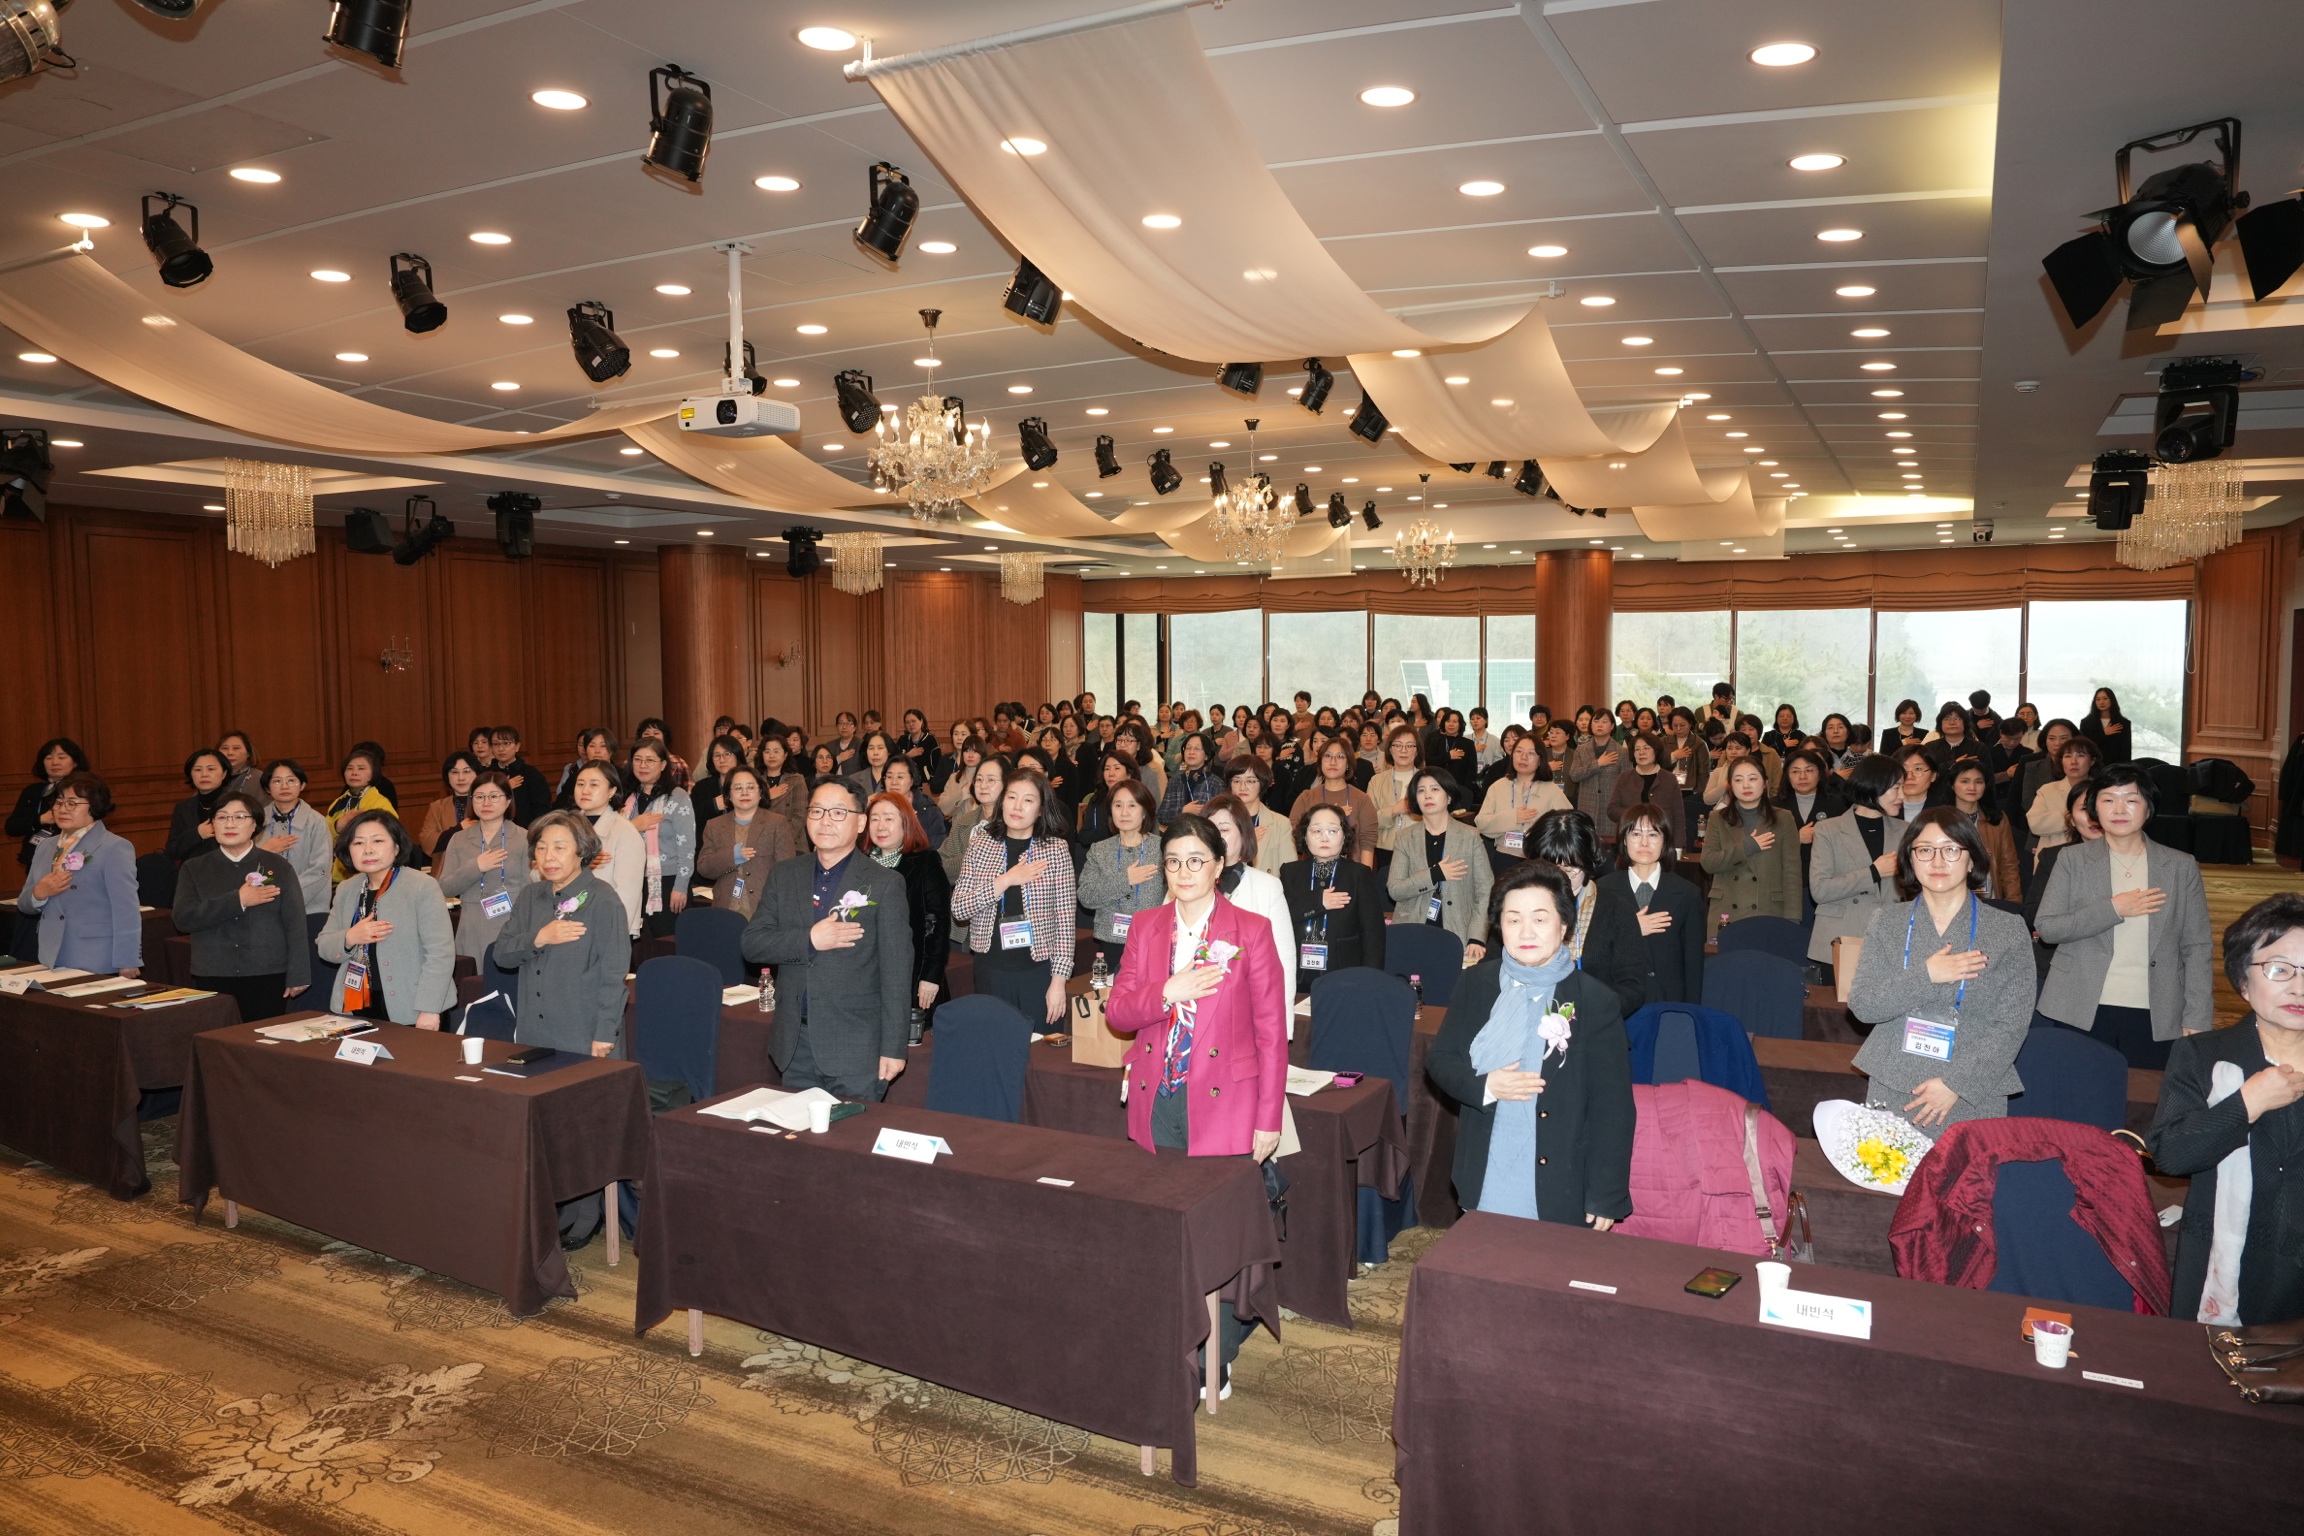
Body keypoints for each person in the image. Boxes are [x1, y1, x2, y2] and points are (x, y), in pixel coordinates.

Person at [1104, 810, 1288, 1392]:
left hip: (1227, 1106)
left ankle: (1219, 1352)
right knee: (1164, 1228)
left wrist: (1268, 1119)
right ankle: (1170, 1339)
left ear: (1219, 865)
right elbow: (1118, 1012)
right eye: (1174, 861)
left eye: (1196, 861)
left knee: (1218, 1238)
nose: (1184, 872)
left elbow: (1271, 1032)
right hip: (1159, 1099)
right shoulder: (1146, 926)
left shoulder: (1250, 929)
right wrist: (1168, 990)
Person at [1426, 859, 1635, 1228]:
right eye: (1513, 919)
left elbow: (1613, 1108)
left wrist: (1606, 1194)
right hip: (1487, 1165)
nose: (1526, 931)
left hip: (1562, 1179)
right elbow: (1441, 1059)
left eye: (1540, 919)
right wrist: (1486, 1086)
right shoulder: (1477, 984)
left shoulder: (1594, 1001)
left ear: (1563, 925)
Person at [2149, 893, 2304, 1325]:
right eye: (2279, 969)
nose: (2299, 987)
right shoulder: (2203, 1055)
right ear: (2243, 981)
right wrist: (2246, 1104)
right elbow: (2171, 1155)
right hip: (2225, 1274)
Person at [489, 808, 634, 1248]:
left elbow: (614, 974)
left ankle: (587, 1212)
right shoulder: (531, 896)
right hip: (536, 1030)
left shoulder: (603, 900)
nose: (548, 856)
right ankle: (558, 1205)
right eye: (541, 847)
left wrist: (605, 1034)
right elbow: (502, 954)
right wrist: (540, 938)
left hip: (584, 1030)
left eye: (559, 847)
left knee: (583, 1126)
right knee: (548, 1126)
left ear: (582, 852)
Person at [1848, 809, 2034, 1131]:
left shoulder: (2007, 930)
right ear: (1910, 859)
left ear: (1972, 859)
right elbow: (1864, 1006)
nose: (1937, 861)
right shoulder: (1888, 922)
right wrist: (1926, 976)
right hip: (1895, 1080)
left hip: (1971, 1090)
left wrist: (1955, 1084)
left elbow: (2011, 1025)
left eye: (1950, 849)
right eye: (1925, 850)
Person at [739, 779, 913, 1099]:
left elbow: (897, 973)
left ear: (860, 822)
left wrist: (893, 1047)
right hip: (796, 1043)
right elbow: (753, 944)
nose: (825, 821)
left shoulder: (884, 883)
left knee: (853, 1131)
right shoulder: (785, 874)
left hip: (857, 1046)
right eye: (817, 811)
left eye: (837, 812)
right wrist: (809, 939)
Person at [2035, 764, 2213, 1070]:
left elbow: (2196, 946)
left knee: (2145, 1095)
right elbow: (2048, 928)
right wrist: (2113, 909)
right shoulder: (2071, 860)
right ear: (2095, 809)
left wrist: (2197, 1016)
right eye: (2108, 800)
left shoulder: (2180, 866)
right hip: (2081, 1005)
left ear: (2148, 808)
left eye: (2131, 800)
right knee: (2084, 1093)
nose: (2119, 809)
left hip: (2157, 1009)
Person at [952, 766, 1078, 1027]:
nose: (1017, 806)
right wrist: (1005, 880)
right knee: (996, 1043)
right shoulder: (981, 844)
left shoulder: (1056, 850)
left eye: (1028, 800)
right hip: (990, 968)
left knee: (1039, 1047)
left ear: (1040, 809)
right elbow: (959, 908)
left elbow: (1065, 922)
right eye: (1011, 797)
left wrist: (1059, 981)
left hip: (1038, 970)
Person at [172, 789, 310, 1022]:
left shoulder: (278, 866)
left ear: (254, 825)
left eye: (239, 817)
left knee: (263, 1037)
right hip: (214, 970)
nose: (230, 823)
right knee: (216, 1039)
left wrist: (299, 973)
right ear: (212, 825)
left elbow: (295, 923)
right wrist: (238, 900)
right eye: (222, 817)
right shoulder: (194, 868)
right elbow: (183, 919)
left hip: (266, 971)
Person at [316, 810, 455, 1028]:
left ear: (396, 846)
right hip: (357, 1003)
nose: (368, 849)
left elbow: (440, 954)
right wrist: (350, 937)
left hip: (414, 1006)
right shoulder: (346, 889)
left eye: (378, 841)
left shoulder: (421, 886)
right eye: (358, 843)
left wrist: (429, 1009)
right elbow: (324, 947)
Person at [1527, 808, 1648, 1018]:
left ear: (1588, 860)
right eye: (1552, 868)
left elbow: (1633, 986)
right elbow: (1495, 970)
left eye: (1571, 868)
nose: (1563, 877)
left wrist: (1592, 1013)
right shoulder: (1518, 907)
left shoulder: (1616, 909)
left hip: (1594, 1022)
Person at [16, 772, 140, 976]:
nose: (62, 809)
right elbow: (24, 904)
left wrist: (127, 959)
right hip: (50, 954)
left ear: (95, 805)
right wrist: (38, 893)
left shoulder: (114, 847)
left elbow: (126, 909)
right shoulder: (46, 846)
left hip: (96, 955)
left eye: (72, 803)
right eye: (59, 802)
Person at [1807, 754, 1905, 980]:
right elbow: (1820, 890)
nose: (1902, 796)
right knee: (1836, 1004)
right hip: (1842, 937)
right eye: (1896, 788)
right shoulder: (1828, 830)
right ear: (1873, 785)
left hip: (1891, 941)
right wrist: (1873, 872)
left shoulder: (1906, 830)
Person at [1387, 768, 1493, 962]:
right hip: (1413, 929)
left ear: (1449, 796)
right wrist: (1434, 874)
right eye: (1421, 790)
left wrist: (1477, 937)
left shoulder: (1470, 836)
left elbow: (1485, 890)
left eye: (1435, 789)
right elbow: (1395, 890)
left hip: (1458, 930)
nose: (1427, 795)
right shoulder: (1405, 838)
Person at [865, 789, 950, 1030]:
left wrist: (930, 976)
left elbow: (937, 923)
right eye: (874, 819)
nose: (881, 826)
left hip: (913, 975)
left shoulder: (925, 862)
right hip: (868, 975)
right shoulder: (860, 865)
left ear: (906, 823)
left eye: (889, 818)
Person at [1279, 802, 1387, 992]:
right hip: (1295, 975)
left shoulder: (1358, 874)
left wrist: (1369, 981)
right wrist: (1318, 902)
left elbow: (1373, 935)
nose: (1324, 838)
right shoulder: (1290, 872)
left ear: (1344, 836)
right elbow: (1279, 918)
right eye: (1316, 831)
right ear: (1305, 836)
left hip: (1345, 975)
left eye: (1332, 831)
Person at [1606, 803, 1705, 1005]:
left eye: (1653, 835)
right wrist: (1631, 929)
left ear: (1665, 841)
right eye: (1635, 834)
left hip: (1668, 1003)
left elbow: (1693, 965)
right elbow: (1592, 954)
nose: (1644, 843)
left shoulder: (1688, 893)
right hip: (1617, 1003)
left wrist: (1689, 1013)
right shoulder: (1602, 890)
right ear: (1624, 840)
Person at [435, 771, 532, 964]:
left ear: (508, 801)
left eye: (494, 796)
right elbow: (445, 887)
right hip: (472, 926)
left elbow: (531, 889)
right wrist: (476, 866)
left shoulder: (524, 837)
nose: (486, 803)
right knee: (476, 980)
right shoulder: (459, 839)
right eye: (479, 797)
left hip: (512, 924)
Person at [1203, 794, 1298, 986]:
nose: (1216, 837)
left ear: (1244, 834)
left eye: (1224, 829)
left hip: (1250, 993)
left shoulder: (1267, 887)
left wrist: (1284, 1006)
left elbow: (1284, 962)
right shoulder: (1186, 881)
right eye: (1209, 830)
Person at [1701, 758, 1802, 938]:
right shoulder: (1717, 818)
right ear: (1731, 785)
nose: (1746, 785)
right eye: (1738, 780)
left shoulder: (1784, 818)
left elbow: (1792, 872)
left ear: (1765, 783)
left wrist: (1792, 918)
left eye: (1753, 778)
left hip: (1769, 910)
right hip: (1727, 911)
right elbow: (1708, 863)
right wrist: (1748, 847)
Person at [1077, 779, 1165, 969]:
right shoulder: (1099, 850)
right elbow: (1086, 896)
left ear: (1145, 811)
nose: (1124, 812)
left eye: (1132, 805)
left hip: (1154, 941)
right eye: (1118, 805)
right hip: (1111, 942)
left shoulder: (1163, 849)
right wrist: (1126, 879)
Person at [696, 767, 795, 921]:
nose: (744, 793)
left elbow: (787, 871)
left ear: (760, 792)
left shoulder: (777, 823)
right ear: (728, 794)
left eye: (750, 787)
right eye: (738, 788)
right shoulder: (714, 825)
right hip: (725, 907)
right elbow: (704, 868)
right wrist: (732, 856)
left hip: (765, 908)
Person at [623, 739, 696, 939]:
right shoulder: (628, 799)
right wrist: (632, 826)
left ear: (663, 765)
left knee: (667, 942)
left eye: (650, 760)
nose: (643, 765)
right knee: (640, 945)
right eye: (638, 760)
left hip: (668, 882)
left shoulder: (677, 797)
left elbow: (687, 847)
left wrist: (680, 886)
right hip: (634, 881)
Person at [1477, 733, 1573, 875]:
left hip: (1540, 859)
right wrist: (1513, 818)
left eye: (1531, 753)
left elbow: (1568, 825)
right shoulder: (1498, 787)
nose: (1523, 757)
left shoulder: (1551, 790)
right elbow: (1481, 824)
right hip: (1504, 856)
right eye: (1519, 752)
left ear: (1540, 759)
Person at [569, 762, 645, 938]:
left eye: (594, 785)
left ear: (612, 791)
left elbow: (627, 892)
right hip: (565, 921)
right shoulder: (565, 827)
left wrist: (613, 933)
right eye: (580, 784)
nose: (585, 790)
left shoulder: (624, 831)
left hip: (604, 926)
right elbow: (538, 874)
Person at [256, 759, 333, 916]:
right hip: (265, 906)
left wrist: (287, 897)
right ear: (267, 788)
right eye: (277, 781)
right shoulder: (256, 820)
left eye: (291, 780)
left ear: (302, 785)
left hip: (310, 908)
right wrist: (264, 851)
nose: (284, 786)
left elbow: (320, 869)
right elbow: (244, 862)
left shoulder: (316, 821)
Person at [1288, 738, 1380, 868]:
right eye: (1327, 756)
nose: (1333, 762)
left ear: (1348, 763)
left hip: (1351, 872)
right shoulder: (1306, 797)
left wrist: (1365, 875)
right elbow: (1293, 835)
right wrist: (1332, 815)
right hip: (1312, 871)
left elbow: (1367, 843)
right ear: (1320, 761)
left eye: (1340, 757)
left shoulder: (1362, 799)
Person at [1774, 746, 1847, 894]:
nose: (1802, 777)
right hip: (1783, 881)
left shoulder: (1837, 804)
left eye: (1809, 770)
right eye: (1795, 771)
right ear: (1787, 775)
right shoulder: (1774, 806)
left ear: (1820, 773)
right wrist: (1795, 838)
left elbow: (1846, 843)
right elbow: (1764, 846)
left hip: (1827, 881)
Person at [1949, 761, 2022, 902]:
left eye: (1979, 782)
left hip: (1990, 899)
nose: (1972, 787)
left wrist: (2014, 902)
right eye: (1965, 781)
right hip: (1950, 900)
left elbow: (2009, 865)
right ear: (1952, 784)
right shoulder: (1939, 820)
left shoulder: (1997, 818)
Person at [8, 737, 85, 870]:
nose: (54, 762)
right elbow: (12, 828)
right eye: (48, 758)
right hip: (35, 857)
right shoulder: (33, 791)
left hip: (72, 857)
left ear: (75, 762)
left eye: (62, 757)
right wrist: (41, 819)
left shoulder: (84, 789)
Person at [1606, 731, 1689, 853]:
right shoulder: (1624, 778)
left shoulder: (1669, 779)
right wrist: (1636, 816)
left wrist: (1678, 846)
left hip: (1662, 842)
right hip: (1631, 841)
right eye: (1637, 749)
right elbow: (1612, 810)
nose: (1641, 752)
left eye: (1646, 748)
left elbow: (1678, 817)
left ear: (1656, 751)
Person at [2026, 734, 2101, 863]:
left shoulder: (2102, 791)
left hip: (2095, 857)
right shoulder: (2047, 790)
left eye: (2080, 755)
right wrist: (2076, 814)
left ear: (2092, 761)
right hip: (2053, 861)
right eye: (2067, 756)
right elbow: (2035, 825)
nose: (2073, 761)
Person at [326, 745, 396, 881]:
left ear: (373, 773)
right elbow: (321, 834)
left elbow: (390, 836)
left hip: (372, 871)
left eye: (361, 768)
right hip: (340, 873)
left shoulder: (380, 802)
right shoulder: (339, 802)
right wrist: (337, 826)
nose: (354, 773)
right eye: (349, 768)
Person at [1567, 710, 1628, 842]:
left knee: (1610, 849)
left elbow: (1626, 784)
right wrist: (1598, 764)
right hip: (1586, 808)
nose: (1600, 725)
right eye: (1596, 721)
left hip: (1610, 811)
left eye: (1604, 721)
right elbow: (1574, 775)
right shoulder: (1581, 750)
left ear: (1612, 726)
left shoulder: (1621, 752)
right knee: (1586, 846)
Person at [1223, 755, 1290, 876]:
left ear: (1262, 783)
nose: (1242, 787)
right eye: (1236, 781)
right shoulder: (1219, 821)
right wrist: (1244, 841)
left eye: (1250, 781)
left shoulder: (1281, 823)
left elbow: (1289, 874)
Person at [165, 749, 230, 864]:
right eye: (198, 770)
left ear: (224, 774)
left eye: (211, 769)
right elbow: (172, 851)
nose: (204, 774)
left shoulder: (236, 804)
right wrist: (197, 834)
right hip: (191, 871)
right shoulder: (183, 808)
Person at [417, 751, 480, 867]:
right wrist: (458, 829)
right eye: (454, 772)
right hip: (446, 869)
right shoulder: (437, 807)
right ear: (447, 776)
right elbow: (426, 842)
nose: (461, 778)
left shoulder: (488, 804)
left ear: (477, 774)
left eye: (466, 771)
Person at [1157, 731, 1223, 826]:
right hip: (1178, 833)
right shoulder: (1174, 782)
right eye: (1188, 748)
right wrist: (1183, 810)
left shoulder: (1216, 783)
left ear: (1207, 755)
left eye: (1197, 748)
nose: (1191, 752)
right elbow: (1162, 816)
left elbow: (1220, 818)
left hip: (1203, 834)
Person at [488, 727, 550, 826]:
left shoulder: (531, 774)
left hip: (526, 829)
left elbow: (541, 807)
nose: (501, 748)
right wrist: (504, 788)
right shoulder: (486, 774)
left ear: (517, 746)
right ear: (491, 748)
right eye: (496, 744)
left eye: (506, 743)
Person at [754, 735, 809, 841]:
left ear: (785, 755)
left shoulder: (797, 780)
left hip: (792, 839)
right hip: (761, 838)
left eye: (776, 751)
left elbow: (801, 814)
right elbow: (748, 811)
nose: (771, 756)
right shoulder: (754, 781)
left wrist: (782, 839)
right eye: (767, 752)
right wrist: (766, 796)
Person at [689, 734, 748, 824]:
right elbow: (690, 819)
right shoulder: (701, 788)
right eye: (717, 755)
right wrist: (714, 805)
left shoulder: (751, 785)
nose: (722, 760)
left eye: (727, 754)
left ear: (737, 755)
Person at [2081, 686, 2133, 765]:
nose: (2101, 702)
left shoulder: (2123, 723)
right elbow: (2084, 746)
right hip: (2093, 765)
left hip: (2115, 766)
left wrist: (2125, 769)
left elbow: (2126, 751)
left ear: (2112, 700)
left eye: (2105, 698)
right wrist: (2103, 733)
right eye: (2098, 699)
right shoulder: (2086, 723)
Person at [1893, 744, 1944, 824]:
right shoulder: (1882, 812)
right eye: (1903, 769)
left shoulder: (1945, 815)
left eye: (1918, 769)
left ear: (1933, 776)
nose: (1909, 776)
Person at [216, 730, 261, 797]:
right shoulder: (213, 775)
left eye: (236, 748)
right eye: (225, 748)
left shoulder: (258, 777)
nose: (230, 753)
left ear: (248, 753)